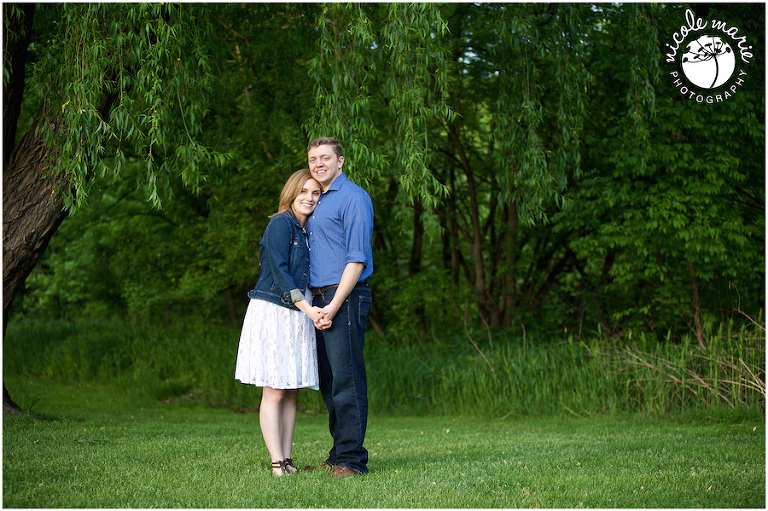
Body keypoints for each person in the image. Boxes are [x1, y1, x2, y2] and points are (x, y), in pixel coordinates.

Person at [234, 169, 327, 477]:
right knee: (274, 389)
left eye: (315, 193)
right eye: (304, 192)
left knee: (291, 389)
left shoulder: (308, 230)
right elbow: (279, 272)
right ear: (292, 193)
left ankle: (287, 460)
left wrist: (314, 307)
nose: (310, 198)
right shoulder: (280, 224)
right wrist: (309, 309)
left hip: (300, 313)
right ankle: (276, 462)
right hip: (276, 311)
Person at [305, 137, 374, 478]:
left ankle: (352, 461)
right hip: (317, 301)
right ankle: (337, 454)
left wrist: (333, 305)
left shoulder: (354, 198)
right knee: (330, 381)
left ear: (340, 161)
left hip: (344, 297)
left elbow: (357, 258)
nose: (319, 163)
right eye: (313, 158)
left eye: (325, 158)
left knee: (347, 380)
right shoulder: (314, 200)